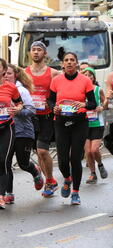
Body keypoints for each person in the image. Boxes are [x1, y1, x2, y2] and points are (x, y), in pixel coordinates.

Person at [49, 52, 97, 205]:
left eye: (72, 60)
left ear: (77, 63)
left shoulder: (85, 81)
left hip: (79, 123)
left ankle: (75, 192)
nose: (69, 63)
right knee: (62, 160)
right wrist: (54, 108)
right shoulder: (56, 80)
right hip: (61, 122)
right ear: (62, 64)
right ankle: (67, 179)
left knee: (75, 158)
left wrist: (84, 104)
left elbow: (93, 103)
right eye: (66, 60)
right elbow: (50, 101)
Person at [3, 64, 44, 204]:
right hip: (6, 131)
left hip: (22, 132)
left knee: (23, 163)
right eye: (4, 73)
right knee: (5, 163)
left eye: (9, 73)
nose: (6, 76)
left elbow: (32, 110)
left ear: (15, 75)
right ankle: (9, 193)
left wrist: (18, 111)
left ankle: (35, 171)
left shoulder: (21, 91)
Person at [25, 41, 60, 197]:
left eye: (39, 50)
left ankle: (51, 179)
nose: (36, 52)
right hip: (30, 118)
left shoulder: (53, 73)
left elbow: (62, 89)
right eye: (33, 50)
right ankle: (49, 182)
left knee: (42, 150)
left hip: (46, 116)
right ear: (30, 53)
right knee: (38, 153)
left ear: (45, 53)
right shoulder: (24, 72)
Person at [0, 58, 24, 209]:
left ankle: (1, 195)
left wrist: (18, 108)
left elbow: (20, 102)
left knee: (3, 161)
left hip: (6, 128)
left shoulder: (11, 87)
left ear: (3, 70)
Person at [81, 67, 108, 184]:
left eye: (90, 75)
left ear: (93, 77)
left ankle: (100, 165)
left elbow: (106, 101)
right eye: (85, 74)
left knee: (94, 150)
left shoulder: (98, 90)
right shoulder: (79, 90)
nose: (88, 76)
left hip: (97, 123)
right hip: (84, 124)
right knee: (87, 152)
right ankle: (93, 174)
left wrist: (102, 107)